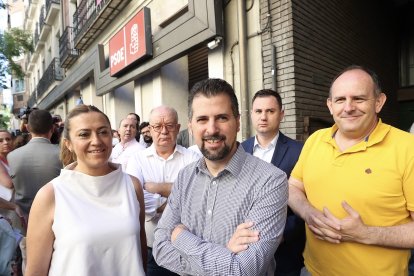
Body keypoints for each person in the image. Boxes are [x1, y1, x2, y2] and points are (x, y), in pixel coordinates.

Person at [153, 78, 288, 275]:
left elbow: (243, 270)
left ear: (238, 122)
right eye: (202, 120)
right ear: (190, 126)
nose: (212, 129)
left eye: (222, 118)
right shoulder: (185, 177)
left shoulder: (270, 181)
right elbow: (160, 249)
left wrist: (180, 237)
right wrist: (225, 255)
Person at [288, 65, 414, 275]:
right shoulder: (315, 141)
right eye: (340, 100)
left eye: (359, 98)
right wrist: (308, 213)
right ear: (330, 105)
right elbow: (293, 186)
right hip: (312, 271)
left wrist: (365, 234)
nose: (348, 107)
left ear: (379, 102)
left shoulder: (407, 148)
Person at [25, 105, 147, 276]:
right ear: (68, 144)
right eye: (84, 134)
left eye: (103, 132)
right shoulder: (50, 194)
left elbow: (139, 253)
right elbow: (35, 272)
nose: (96, 140)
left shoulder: (132, 186)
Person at [126, 105, 200, 276]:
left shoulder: (193, 158)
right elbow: (135, 198)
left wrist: (156, 188)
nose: (164, 131)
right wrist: (178, 197)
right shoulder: (137, 160)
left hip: (187, 249)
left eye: (169, 125)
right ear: (150, 130)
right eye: (158, 126)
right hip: (151, 250)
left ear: (178, 128)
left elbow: (197, 197)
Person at [242, 89, 305, 276]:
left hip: (285, 250)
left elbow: (308, 200)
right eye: (258, 111)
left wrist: (282, 234)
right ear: (251, 114)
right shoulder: (239, 151)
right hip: (246, 247)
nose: (263, 116)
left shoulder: (299, 151)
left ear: (281, 114)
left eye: (270, 111)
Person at [4, 109, 62, 272]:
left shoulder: (13, 156)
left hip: (26, 219)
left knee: (29, 261)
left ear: (28, 128)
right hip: (58, 218)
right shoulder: (61, 154)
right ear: (52, 128)